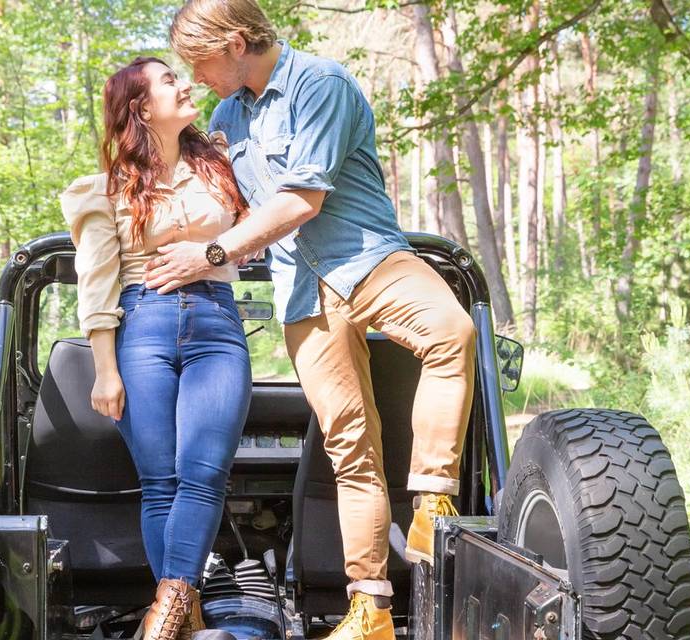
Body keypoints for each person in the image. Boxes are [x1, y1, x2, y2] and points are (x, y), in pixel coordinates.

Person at [146, 1, 477, 636]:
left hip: (370, 259)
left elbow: (303, 197)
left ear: (236, 42)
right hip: (302, 294)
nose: (195, 74)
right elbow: (210, 193)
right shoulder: (226, 115)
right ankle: (369, 609)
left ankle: (433, 496)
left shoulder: (319, 83)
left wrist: (213, 253)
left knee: (451, 331)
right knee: (351, 449)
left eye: (200, 60)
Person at [60, 57, 252, 640]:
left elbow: (258, 230)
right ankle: (179, 611)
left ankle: (165, 613)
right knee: (161, 481)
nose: (185, 83)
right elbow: (96, 280)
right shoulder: (109, 188)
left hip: (218, 324)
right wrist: (104, 371)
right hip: (140, 327)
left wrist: (224, 250)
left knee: (203, 472)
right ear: (142, 107)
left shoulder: (222, 161)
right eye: (170, 80)